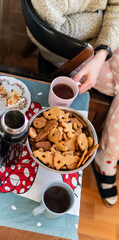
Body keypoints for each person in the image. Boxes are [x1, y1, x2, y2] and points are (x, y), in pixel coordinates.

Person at [27, 0, 119, 207]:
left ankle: (109, 153)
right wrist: (100, 18)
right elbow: (54, 34)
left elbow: (115, 5)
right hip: (72, 52)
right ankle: (107, 158)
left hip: (101, 43)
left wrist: (103, 51)